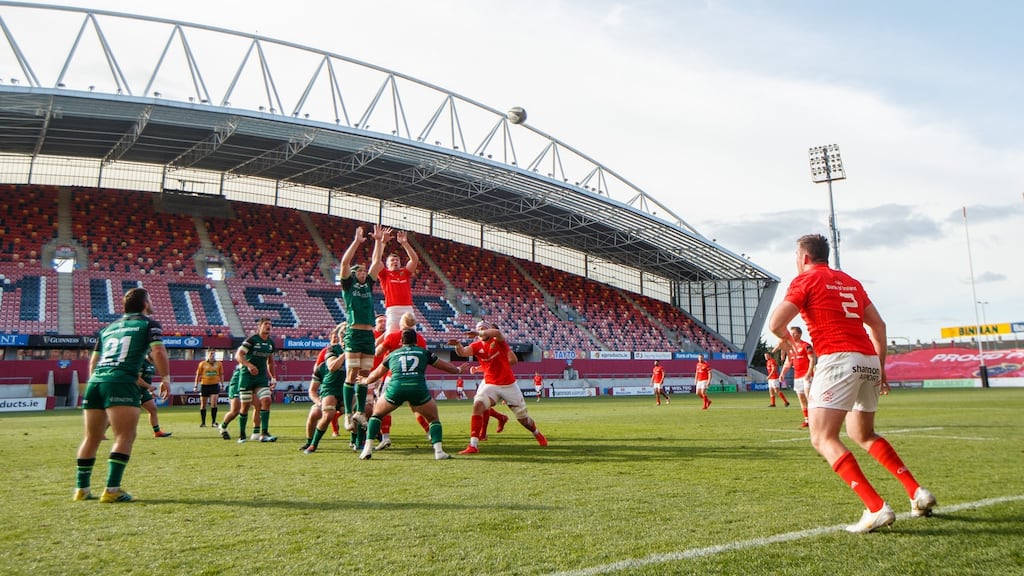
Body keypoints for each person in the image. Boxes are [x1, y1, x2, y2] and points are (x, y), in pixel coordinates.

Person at [769, 233, 936, 533]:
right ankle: (916, 492)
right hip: (868, 359)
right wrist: (881, 366)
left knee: (822, 438)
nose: (796, 261)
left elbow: (775, 322)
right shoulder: (850, 281)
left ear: (804, 257)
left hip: (838, 358)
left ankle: (875, 507)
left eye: (796, 256)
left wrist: (783, 338)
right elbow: (879, 325)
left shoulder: (805, 280)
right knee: (863, 433)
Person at [73, 287, 170, 503]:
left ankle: (81, 489)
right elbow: (158, 351)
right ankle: (112, 489)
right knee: (125, 436)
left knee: (92, 437)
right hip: (122, 382)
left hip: (96, 381)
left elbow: (93, 362)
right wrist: (166, 378)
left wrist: (97, 380)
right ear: (145, 304)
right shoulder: (148, 324)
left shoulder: (107, 328)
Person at [358, 328, 463, 460]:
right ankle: (439, 452)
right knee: (433, 419)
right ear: (417, 341)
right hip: (417, 389)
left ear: (401, 341)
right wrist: (458, 369)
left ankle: (367, 450)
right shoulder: (424, 352)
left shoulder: (393, 354)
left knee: (376, 415)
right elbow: (444, 366)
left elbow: (377, 373)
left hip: (396, 388)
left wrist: (365, 380)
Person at [449, 321, 547, 455]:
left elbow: (497, 333)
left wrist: (479, 332)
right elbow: (463, 352)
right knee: (478, 404)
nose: (481, 330)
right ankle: (473, 445)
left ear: (488, 330)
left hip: (509, 385)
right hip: (491, 384)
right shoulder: (476, 345)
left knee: (523, 419)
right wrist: (457, 345)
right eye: (478, 328)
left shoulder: (498, 340)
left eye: (483, 328)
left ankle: (537, 433)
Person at [337, 225, 386, 447]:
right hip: (354, 332)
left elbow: (377, 263)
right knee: (351, 372)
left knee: (364, 375)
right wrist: (357, 242)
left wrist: (378, 241)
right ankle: (348, 414)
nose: (364, 273)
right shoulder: (348, 285)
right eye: (361, 271)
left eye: (365, 271)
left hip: (368, 335)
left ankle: (358, 412)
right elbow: (344, 263)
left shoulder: (368, 285)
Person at [221, 318, 277, 443]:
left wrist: (273, 377)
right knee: (244, 407)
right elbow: (238, 355)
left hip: (261, 378)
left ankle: (263, 433)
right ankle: (242, 435)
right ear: (260, 326)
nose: (268, 326)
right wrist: (249, 365)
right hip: (246, 376)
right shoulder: (251, 340)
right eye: (265, 324)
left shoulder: (271, 343)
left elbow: (271, 362)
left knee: (266, 401)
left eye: (270, 324)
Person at [303, 323, 347, 454]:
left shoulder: (351, 353)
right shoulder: (325, 358)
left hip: (345, 391)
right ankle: (310, 442)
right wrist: (318, 402)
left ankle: (360, 441)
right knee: (317, 413)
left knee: (364, 411)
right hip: (328, 392)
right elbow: (312, 390)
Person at [369, 227, 419, 333]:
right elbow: (376, 261)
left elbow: (414, 260)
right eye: (392, 260)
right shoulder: (385, 274)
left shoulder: (405, 273)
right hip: (393, 309)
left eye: (397, 260)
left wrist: (405, 244)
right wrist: (382, 243)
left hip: (408, 308)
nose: (395, 261)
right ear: (387, 264)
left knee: (411, 335)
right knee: (392, 334)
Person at [780, 326, 817, 427]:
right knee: (801, 398)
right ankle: (807, 420)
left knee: (809, 397)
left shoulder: (806, 346)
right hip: (797, 377)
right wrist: (782, 373)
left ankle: (816, 419)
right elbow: (788, 362)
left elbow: (812, 360)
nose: (792, 335)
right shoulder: (791, 348)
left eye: (794, 333)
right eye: (791, 334)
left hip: (807, 376)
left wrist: (809, 373)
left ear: (800, 334)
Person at [138, 353, 172, 437]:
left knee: (153, 409)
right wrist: (149, 386)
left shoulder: (152, 364)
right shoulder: (141, 362)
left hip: (144, 391)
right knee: (125, 413)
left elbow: (147, 378)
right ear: (149, 352)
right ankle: (101, 432)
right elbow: (136, 379)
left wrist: (149, 390)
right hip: (134, 390)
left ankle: (157, 432)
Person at [194, 349, 223, 428]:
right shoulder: (202, 364)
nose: (212, 355)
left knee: (214, 404)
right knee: (203, 405)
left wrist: (222, 384)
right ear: (208, 355)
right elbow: (198, 375)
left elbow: (221, 375)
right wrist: (196, 385)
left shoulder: (219, 364)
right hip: (205, 385)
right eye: (211, 354)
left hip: (215, 385)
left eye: (213, 354)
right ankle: (203, 422)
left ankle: (214, 422)